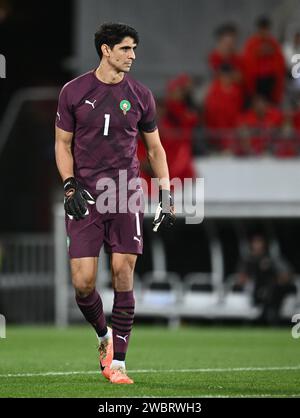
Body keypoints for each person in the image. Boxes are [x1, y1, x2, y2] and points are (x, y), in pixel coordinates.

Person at [55, 22, 175, 384]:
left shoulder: (141, 95)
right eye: (125, 48)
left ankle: (119, 363)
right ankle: (103, 337)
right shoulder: (73, 91)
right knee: (83, 283)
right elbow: (62, 144)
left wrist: (166, 196)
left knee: (124, 274)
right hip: (87, 196)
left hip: (125, 194)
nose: (132, 56)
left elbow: (155, 149)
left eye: (134, 49)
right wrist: (70, 187)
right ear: (105, 50)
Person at [236, 235, 296, 325]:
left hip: (275, 290)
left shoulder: (272, 259)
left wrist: (278, 278)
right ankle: (265, 317)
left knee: (273, 290)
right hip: (258, 290)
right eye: (255, 243)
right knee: (265, 293)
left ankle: (269, 317)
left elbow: (287, 275)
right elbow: (241, 279)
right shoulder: (248, 261)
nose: (257, 246)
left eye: (259, 243)